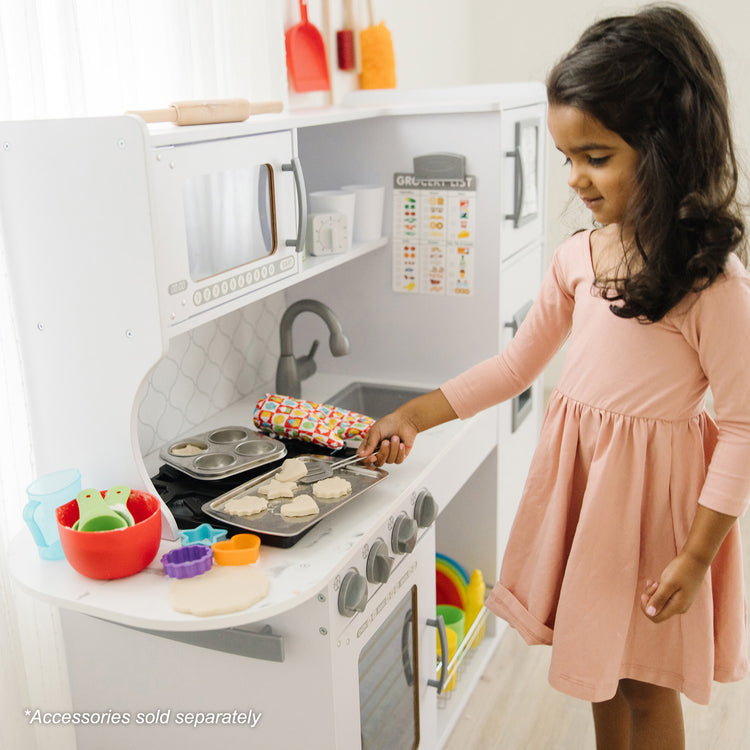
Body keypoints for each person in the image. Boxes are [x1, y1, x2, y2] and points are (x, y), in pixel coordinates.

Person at [357, 6, 750, 750]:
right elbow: (515, 366)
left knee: (643, 681)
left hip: (653, 512)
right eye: (566, 156)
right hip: (587, 493)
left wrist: (697, 555)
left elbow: (740, 426)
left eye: (595, 156)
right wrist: (418, 413)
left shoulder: (712, 284)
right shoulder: (578, 258)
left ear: (665, 148)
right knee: (596, 666)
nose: (574, 178)